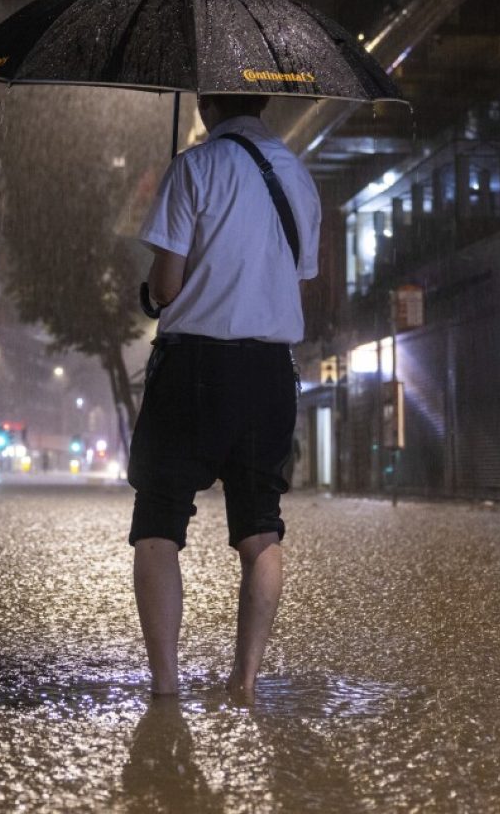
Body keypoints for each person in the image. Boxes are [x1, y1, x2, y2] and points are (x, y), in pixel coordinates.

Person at [126, 92, 321, 700]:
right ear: (263, 100)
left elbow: (166, 284)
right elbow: (296, 275)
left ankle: (165, 685)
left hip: (192, 368)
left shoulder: (193, 167)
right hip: (268, 372)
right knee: (260, 531)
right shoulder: (298, 176)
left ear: (206, 102)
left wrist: (153, 294)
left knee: (159, 523)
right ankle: (246, 679)